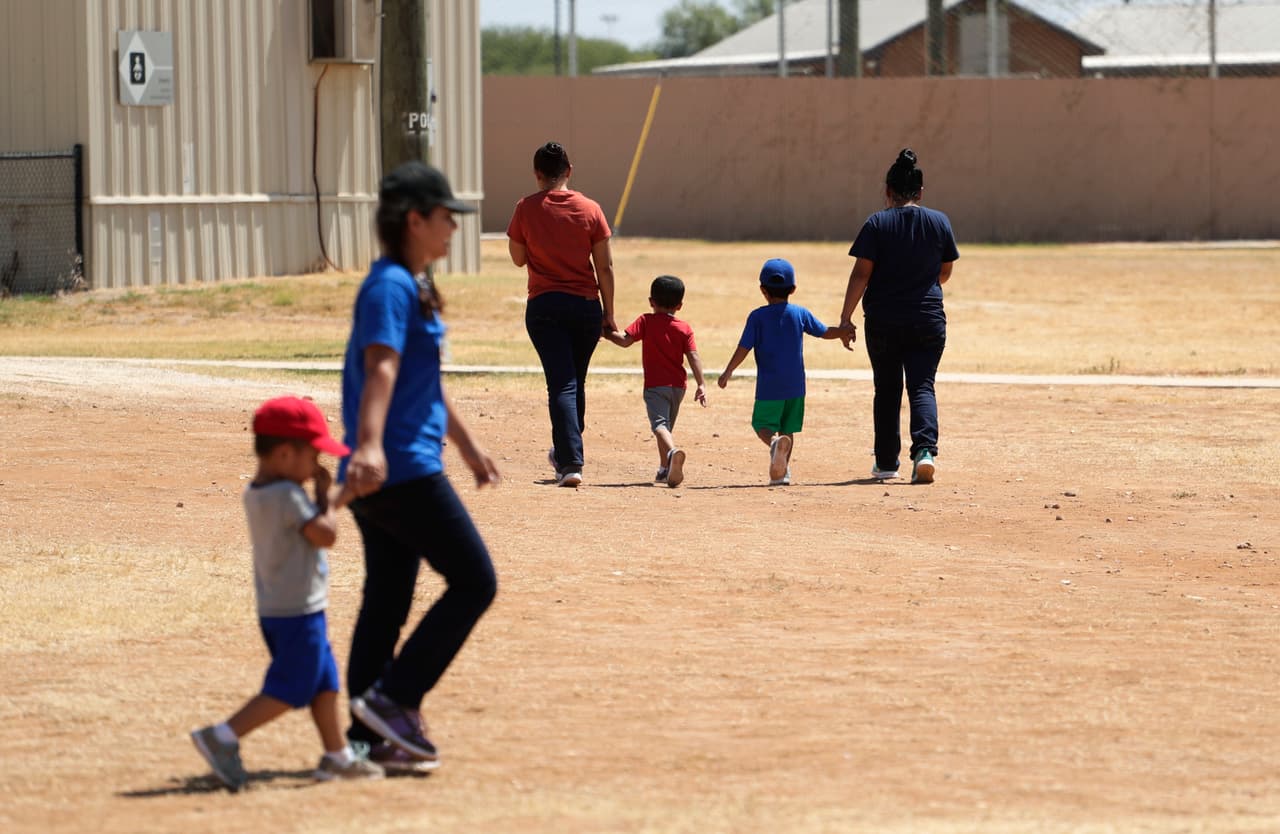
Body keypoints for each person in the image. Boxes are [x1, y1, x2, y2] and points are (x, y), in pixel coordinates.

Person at [340, 161, 500, 774]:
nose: (453, 229)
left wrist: (465, 444)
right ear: (415, 219)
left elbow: (422, 381)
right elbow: (381, 366)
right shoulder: (390, 287)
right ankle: (396, 699)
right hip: (398, 467)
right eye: (445, 218)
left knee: (386, 602)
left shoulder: (410, 282)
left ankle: (361, 744)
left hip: (394, 465)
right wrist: (371, 446)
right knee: (475, 581)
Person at [191, 396, 383, 791]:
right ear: (283, 453)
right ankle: (222, 736)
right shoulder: (288, 495)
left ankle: (337, 756)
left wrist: (332, 495)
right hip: (298, 611)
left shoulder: (260, 492)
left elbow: (310, 528)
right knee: (293, 686)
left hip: (282, 608)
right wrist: (333, 494)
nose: (316, 466)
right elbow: (325, 535)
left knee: (325, 683)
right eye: (312, 455)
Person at [839, 148, 959, 484]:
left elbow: (861, 274)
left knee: (887, 388)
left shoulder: (877, 223)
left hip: (884, 321)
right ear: (920, 192)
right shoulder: (939, 222)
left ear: (888, 191)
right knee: (922, 386)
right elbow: (944, 273)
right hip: (928, 318)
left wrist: (846, 318)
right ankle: (925, 451)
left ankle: (886, 462)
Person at [507, 141, 616, 488]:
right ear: (569, 171)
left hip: (545, 305)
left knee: (562, 383)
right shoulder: (591, 209)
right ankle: (566, 451)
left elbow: (518, 258)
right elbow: (605, 266)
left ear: (537, 174)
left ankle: (569, 460)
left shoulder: (525, 208)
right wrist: (609, 314)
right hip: (585, 306)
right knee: (574, 381)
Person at [718, 258, 852, 486]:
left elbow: (744, 347)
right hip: (796, 385)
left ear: (763, 290)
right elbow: (823, 332)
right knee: (788, 430)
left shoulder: (757, 317)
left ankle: (772, 445)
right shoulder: (799, 313)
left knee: (762, 426)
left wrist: (729, 370)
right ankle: (783, 472)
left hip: (770, 386)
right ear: (793, 289)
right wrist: (843, 332)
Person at [604, 275, 708, 487]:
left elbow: (625, 341)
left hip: (655, 386)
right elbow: (693, 356)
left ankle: (672, 452)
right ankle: (664, 469)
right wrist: (701, 384)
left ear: (651, 301)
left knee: (659, 426)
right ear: (680, 305)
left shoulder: (645, 321)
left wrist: (605, 333)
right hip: (678, 387)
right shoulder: (684, 328)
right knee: (666, 428)